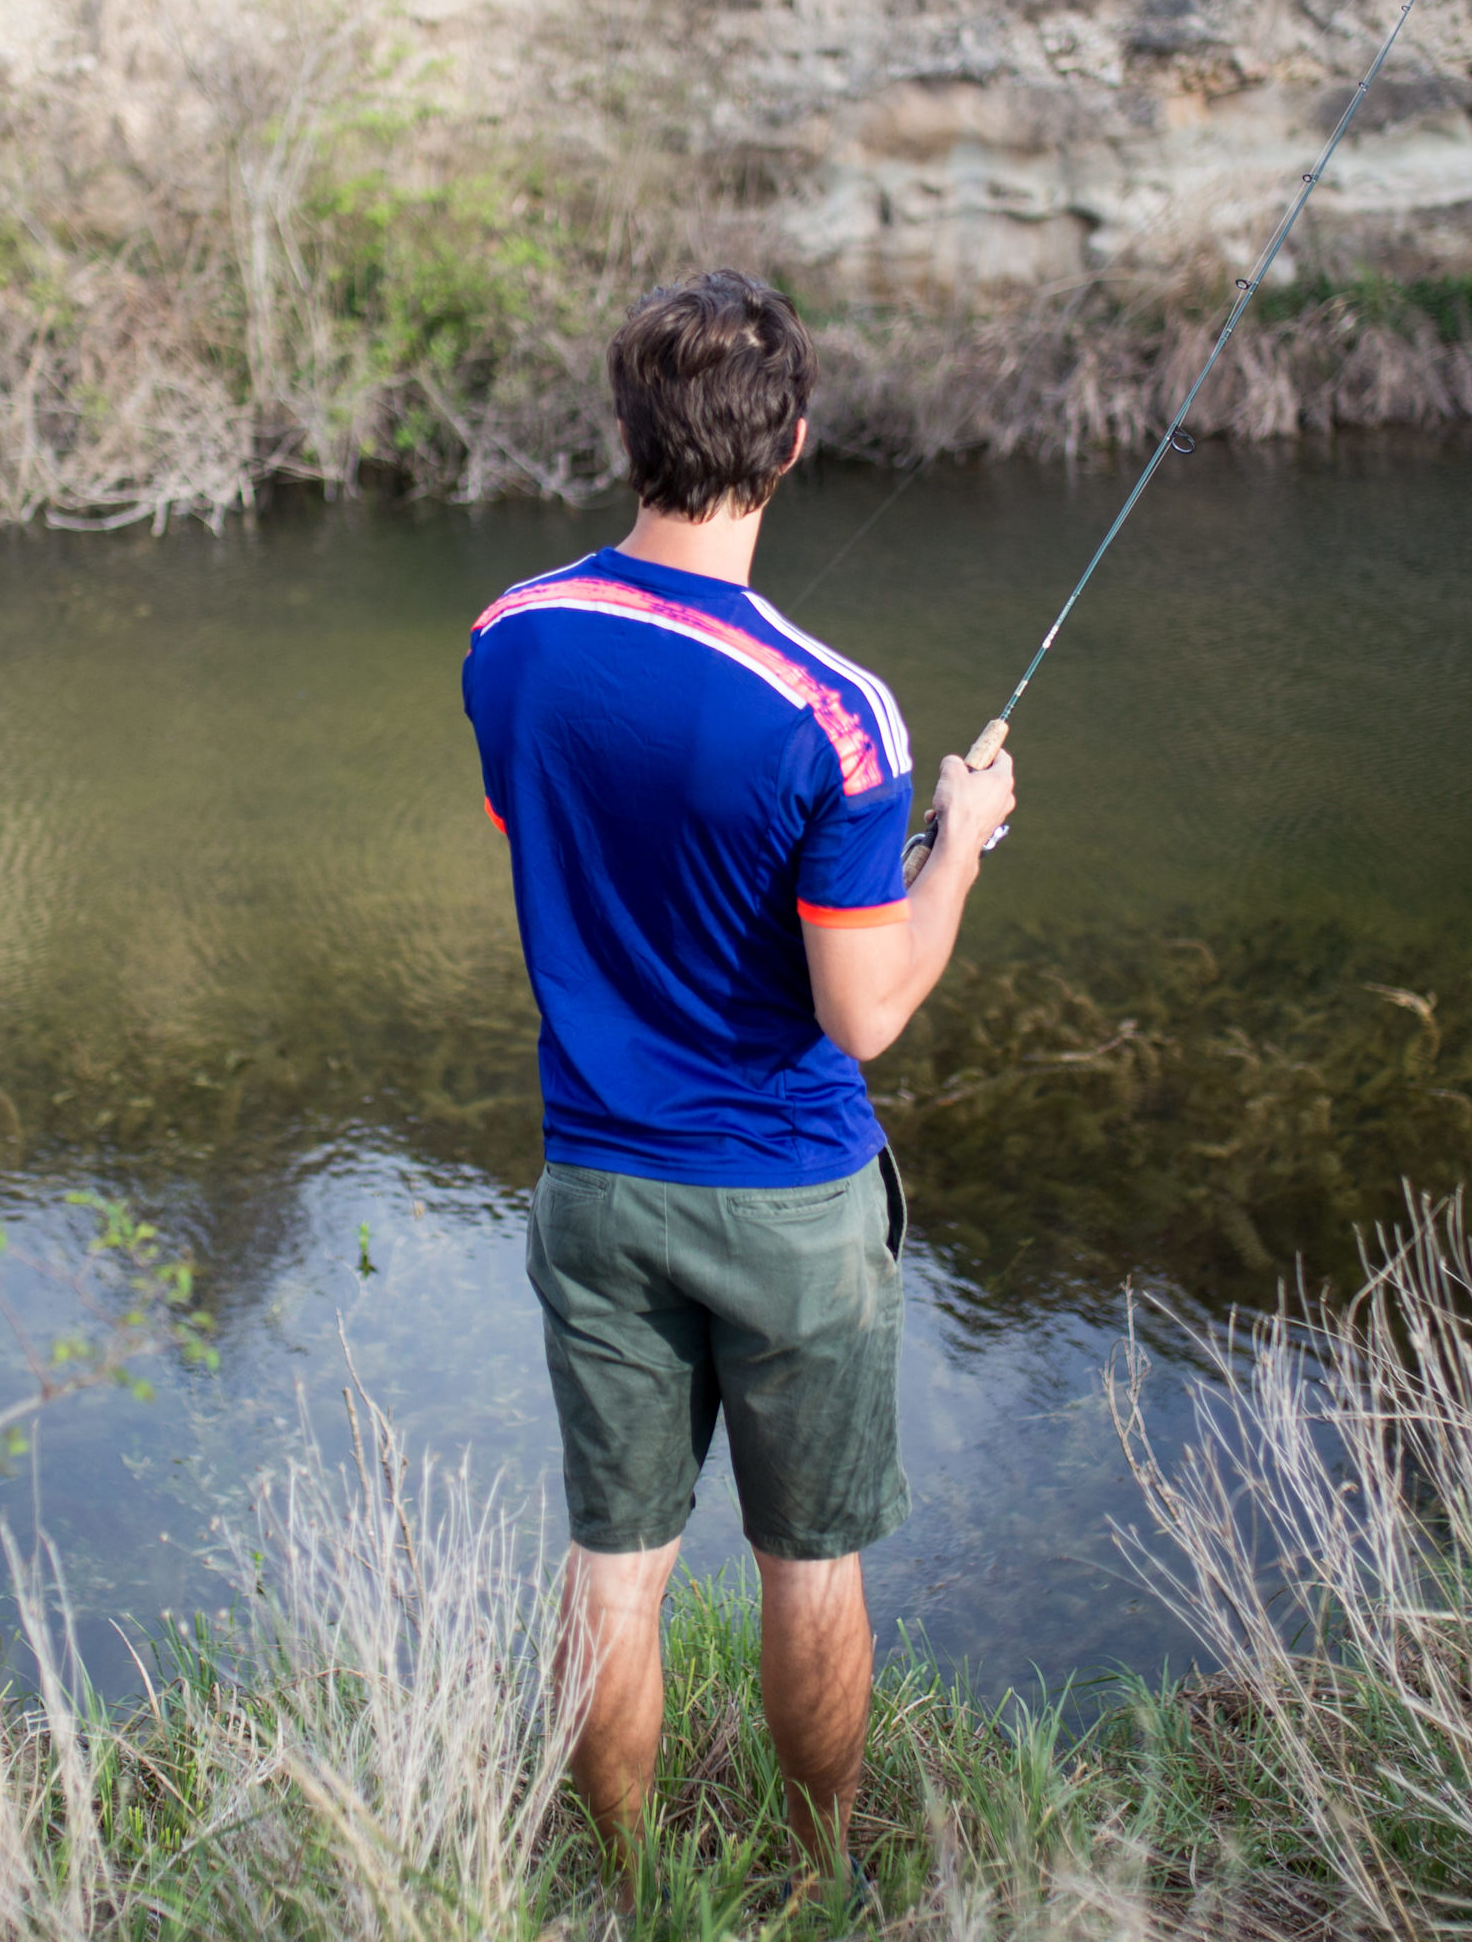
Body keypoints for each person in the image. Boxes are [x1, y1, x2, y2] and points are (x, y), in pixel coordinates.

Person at [460, 268, 1017, 1899]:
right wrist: (960, 850)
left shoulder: (510, 640)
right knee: (808, 1561)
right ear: (791, 442)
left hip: (595, 1184)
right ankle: (820, 1872)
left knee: (613, 1570)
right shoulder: (839, 717)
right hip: (783, 1196)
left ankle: (628, 1893)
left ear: (629, 434)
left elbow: (556, 859)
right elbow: (865, 1014)